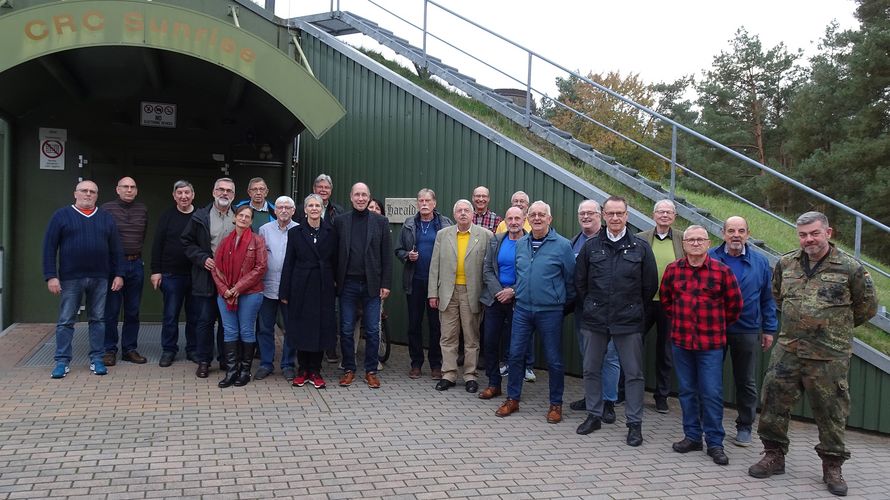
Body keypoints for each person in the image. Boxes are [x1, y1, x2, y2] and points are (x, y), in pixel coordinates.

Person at [749, 211, 877, 497]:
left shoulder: (849, 268)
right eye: (803, 234)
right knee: (773, 402)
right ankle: (773, 454)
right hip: (789, 349)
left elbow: (866, 308)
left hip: (829, 355)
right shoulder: (786, 263)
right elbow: (778, 296)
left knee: (831, 411)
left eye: (814, 233)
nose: (809, 239)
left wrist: (832, 328)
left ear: (828, 233)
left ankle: (832, 466)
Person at [574, 195, 657, 446]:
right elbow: (580, 282)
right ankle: (594, 414)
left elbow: (649, 285)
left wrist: (631, 307)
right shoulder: (591, 247)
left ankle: (634, 424)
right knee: (590, 369)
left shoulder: (640, 248)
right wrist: (592, 304)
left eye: (619, 213)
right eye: (610, 213)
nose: (615, 218)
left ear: (627, 215)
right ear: (604, 215)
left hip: (628, 320)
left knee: (633, 374)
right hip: (596, 319)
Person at [661, 225, 743, 466]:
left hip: (711, 344)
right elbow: (666, 301)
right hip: (681, 341)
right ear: (684, 244)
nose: (695, 244)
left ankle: (715, 442)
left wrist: (715, 325)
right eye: (691, 240)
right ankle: (693, 437)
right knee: (687, 391)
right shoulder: (673, 270)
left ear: (708, 244)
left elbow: (734, 306)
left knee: (711, 393)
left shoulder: (722, 272)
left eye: (700, 240)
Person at [495, 201, 575, 424]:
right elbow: (520, 276)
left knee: (554, 360)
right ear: (528, 219)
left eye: (542, 215)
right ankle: (513, 399)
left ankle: (556, 404)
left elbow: (571, 281)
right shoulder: (521, 244)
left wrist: (559, 304)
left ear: (550, 219)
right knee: (515, 355)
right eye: (533, 215)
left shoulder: (562, 245)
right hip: (522, 309)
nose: (537, 218)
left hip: (550, 312)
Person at [708, 216, 778, 446]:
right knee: (710, 378)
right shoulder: (710, 258)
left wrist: (769, 329)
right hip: (713, 329)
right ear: (723, 233)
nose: (735, 235)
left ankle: (745, 426)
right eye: (731, 230)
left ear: (748, 233)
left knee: (745, 380)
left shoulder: (759, 263)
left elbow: (767, 299)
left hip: (747, 329)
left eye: (740, 230)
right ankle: (709, 422)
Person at [43, 180, 124, 378]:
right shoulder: (61, 216)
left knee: (98, 319)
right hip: (71, 278)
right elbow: (49, 248)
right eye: (84, 191)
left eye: (92, 192)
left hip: (100, 278)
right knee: (65, 321)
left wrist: (119, 274)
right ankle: (62, 361)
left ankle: (97, 359)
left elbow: (116, 249)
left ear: (97, 195)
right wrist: (51, 276)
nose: (88, 194)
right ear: (75, 193)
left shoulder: (106, 218)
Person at [428, 199, 492, 393]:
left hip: (471, 292)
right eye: (459, 211)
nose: (463, 213)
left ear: (472, 214)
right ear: (454, 215)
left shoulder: (486, 236)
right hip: (447, 292)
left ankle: (470, 376)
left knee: (472, 337)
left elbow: (489, 267)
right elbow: (435, 265)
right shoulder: (443, 234)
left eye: (466, 210)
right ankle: (448, 374)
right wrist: (433, 293)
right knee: (448, 336)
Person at [334, 182, 392, 389]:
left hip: (372, 285)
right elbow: (335, 254)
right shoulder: (340, 222)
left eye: (364, 195)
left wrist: (386, 283)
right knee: (347, 329)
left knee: (374, 330)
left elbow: (386, 255)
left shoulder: (381, 222)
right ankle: (349, 369)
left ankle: (371, 371)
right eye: (357, 194)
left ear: (369, 197)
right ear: (351, 197)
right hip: (347, 284)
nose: (360, 198)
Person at [568, 200, 620, 424]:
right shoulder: (574, 242)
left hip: (609, 312)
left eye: (590, 213)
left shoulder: (609, 241)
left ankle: (609, 402)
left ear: (600, 215)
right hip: (583, 310)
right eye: (582, 213)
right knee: (588, 356)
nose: (586, 216)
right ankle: (592, 399)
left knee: (609, 356)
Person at [281, 194, 339, 389]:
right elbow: (288, 262)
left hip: (323, 285)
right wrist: (285, 291)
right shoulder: (295, 232)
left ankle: (315, 370)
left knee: (320, 328)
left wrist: (337, 284)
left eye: (318, 205)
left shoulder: (331, 231)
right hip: (301, 285)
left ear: (322, 209)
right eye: (310, 205)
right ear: (304, 210)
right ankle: (302, 369)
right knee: (301, 327)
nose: (314, 208)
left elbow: (336, 262)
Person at [395, 189, 453, 379]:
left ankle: (436, 364)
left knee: (436, 325)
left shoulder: (444, 224)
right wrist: (407, 255)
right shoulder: (409, 224)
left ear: (434, 203)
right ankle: (416, 363)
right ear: (417, 203)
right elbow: (398, 249)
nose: (424, 203)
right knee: (414, 324)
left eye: (428, 200)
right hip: (415, 281)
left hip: (437, 284)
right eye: (421, 200)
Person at [182, 177, 237, 378]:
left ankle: (225, 359)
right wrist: (202, 258)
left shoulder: (239, 216)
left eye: (228, 191)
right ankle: (204, 360)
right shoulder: (200, 216)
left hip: (230, 280)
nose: (224, 193)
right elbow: (187, 243)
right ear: (214, 192)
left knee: (226, 322)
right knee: (204, 320)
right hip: (206, 277)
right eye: (220, 190)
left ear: (233, 195)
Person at [636, 199, 685, 413]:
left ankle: (661, 396)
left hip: (670, 305)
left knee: (665, 353)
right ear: (653, 215)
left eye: (668, 212)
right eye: (660, 212)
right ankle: (624, 390)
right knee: (632, 347)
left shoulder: (683, 239)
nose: (664, 215)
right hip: (644, 302)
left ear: (674, 216)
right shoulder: (641, 238)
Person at [211, 205, 268, 388]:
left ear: (251, 221)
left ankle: (244, 371)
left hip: (250, 293)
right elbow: (216, 268)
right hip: (226, 294)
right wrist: (224, 289)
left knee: (246, 330)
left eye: (247, 217)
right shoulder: (225, 241)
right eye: (240, 215)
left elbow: (260, 268)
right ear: (235, 218)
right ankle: (231, 371)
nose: (243, 219)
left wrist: (238, 287)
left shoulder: (257, 241)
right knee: (229, 331)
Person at [150, 180, 200, 367]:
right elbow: (157, 244)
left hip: (195, 274)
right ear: (174, 196)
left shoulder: (200, 216)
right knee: (170, 315)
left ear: (192, 195)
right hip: (171, 275)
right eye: (179, 193)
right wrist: (156, 271)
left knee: (194, 315)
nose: (183, 196)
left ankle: (193, 349)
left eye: (187, 192)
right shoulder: (167, 216)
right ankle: (169, 350)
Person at [101, 176, 149, 366]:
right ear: (117, 189)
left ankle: (129, 349)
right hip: (113, 266)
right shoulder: (106, 209)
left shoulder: (142, 209)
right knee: (111, 310)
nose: (129, 190)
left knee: (133, 310)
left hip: (136, 264)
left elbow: (142, 235)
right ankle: (109, 350)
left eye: (132, 187)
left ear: (136, 191)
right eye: (125, 187)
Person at [479, 207, 525, 399]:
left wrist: (512, 291)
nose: (513, 222)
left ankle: (514, 390)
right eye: (510, 218)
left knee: (516, 347)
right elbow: (487, 269)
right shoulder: (496, 240)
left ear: (524, 220)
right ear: (504, 221)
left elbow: (531, 273)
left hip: (519, 301)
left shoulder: (530, 242)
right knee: (489, 342)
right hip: (495, 299)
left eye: (517, 218)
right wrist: (499, 291)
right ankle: (493, 383)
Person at [255, 196, 299, 380]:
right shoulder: (264, 230)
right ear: (275, 210)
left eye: (287, 207)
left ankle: (288, 364)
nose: (283, 210)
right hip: (267, 286)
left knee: (290, 327)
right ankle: (266, 363)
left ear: (293, 210)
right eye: (280, 207)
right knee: (265, 327)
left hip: (290, 288)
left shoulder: (299, 230)